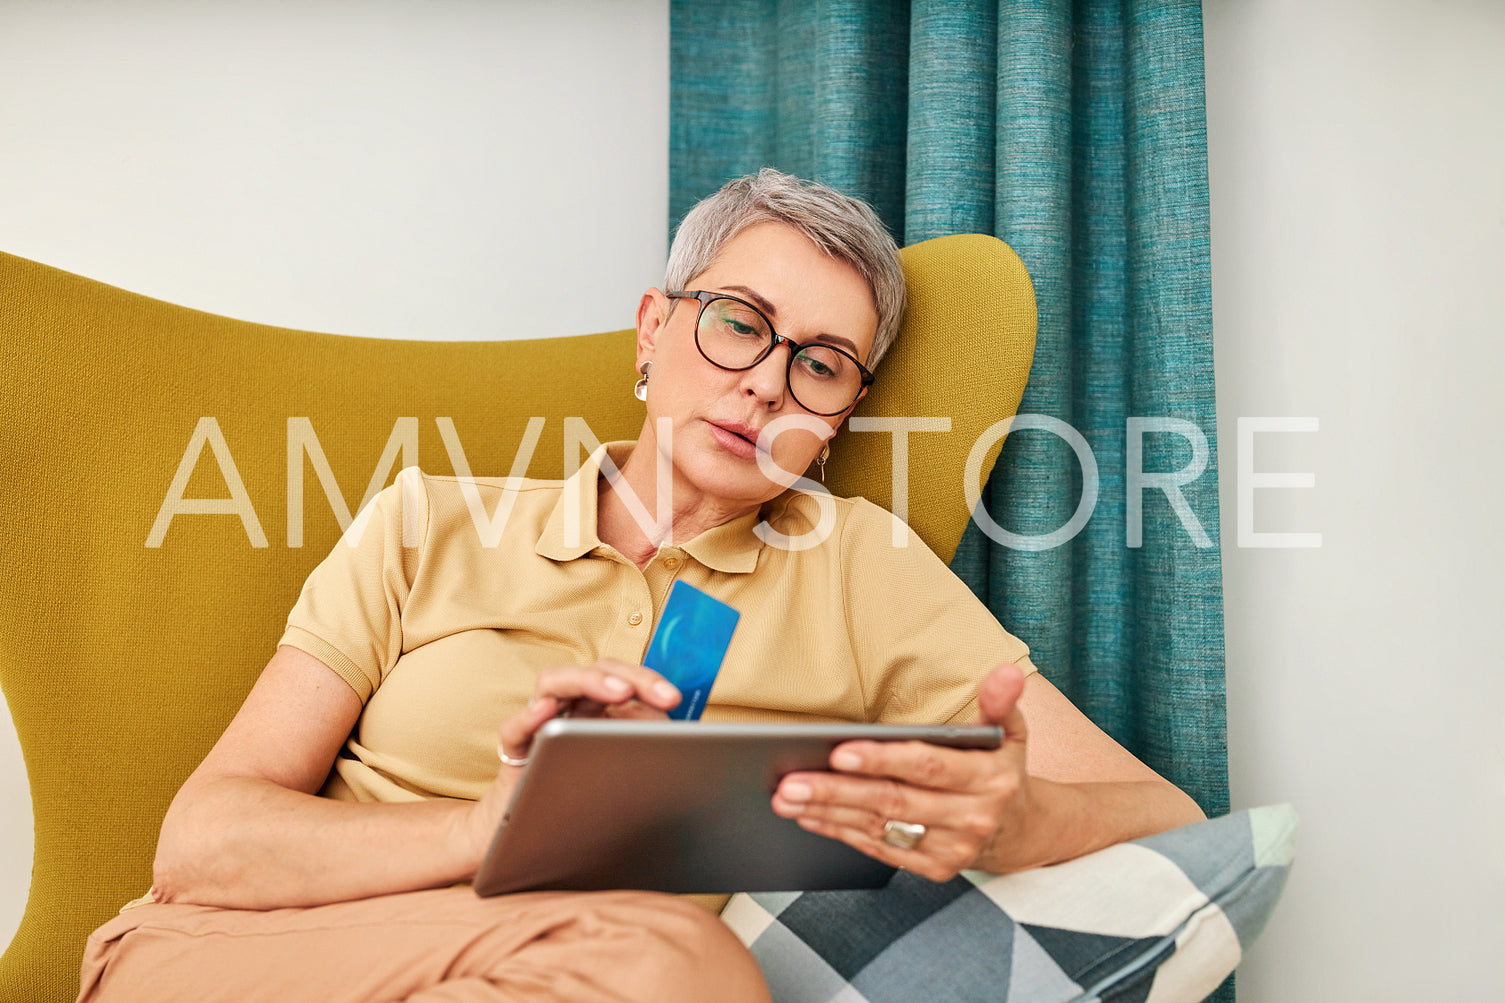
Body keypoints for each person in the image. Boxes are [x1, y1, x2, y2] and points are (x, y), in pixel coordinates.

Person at [76, 169, 1205, 1003]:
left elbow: (1168, 818)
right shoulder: (428, 520)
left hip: (581, 984)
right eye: (737, 324)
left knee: (662, 970)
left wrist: (1020, 818)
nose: (765, 382)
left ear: (838, 418)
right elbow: (204, 841)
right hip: (253, 956)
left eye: (818, 363)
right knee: (676, 966)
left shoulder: (861, 565)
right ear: (653, 330)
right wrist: (495, 824)